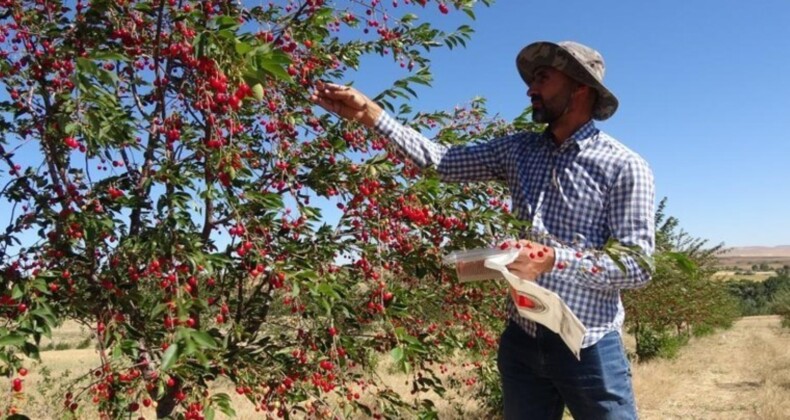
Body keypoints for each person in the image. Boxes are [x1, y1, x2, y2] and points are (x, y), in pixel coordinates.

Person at [312, 40, 655, 420]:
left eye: (543, 77)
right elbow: (441, 161)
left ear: (580, 88)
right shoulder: (518, 150)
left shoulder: (624, 167)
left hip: (588, 346)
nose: (530, 88)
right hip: (522, 341)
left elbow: (636, 265)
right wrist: (372, 115)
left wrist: (552, 260)